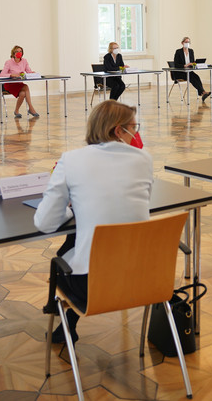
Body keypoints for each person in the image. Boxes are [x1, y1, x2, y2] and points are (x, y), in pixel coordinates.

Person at [34, 100, 151, 342]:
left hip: (93, 287)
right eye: (134, 127)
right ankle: (66, 326)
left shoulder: (72, 160)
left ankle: (62, 321)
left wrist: (72, 210)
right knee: (85, 237)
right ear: (118, 130)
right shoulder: (143, 160)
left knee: (70, 247)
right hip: (145, 280)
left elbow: (44, 223)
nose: (136, 133)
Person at [0, 45, 40, 118]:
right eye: (17, 51)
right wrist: (11, 75)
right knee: (25, 86)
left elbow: (28, 71)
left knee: (22, 93)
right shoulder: (9, 62)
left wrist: (32, 73)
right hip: (10, 84)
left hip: (19, 83)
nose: (19, 53)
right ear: (13, 53)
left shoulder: (24, 61)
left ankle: (16, 111)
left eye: (20, 51)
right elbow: (1, 74)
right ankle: (31, 108)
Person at [172, 36, 212, 102]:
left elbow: (193, 61)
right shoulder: (178, 51)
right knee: (191, 77)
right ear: (182, 43)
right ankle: (203, 92)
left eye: (188, 42)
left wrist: (193, 64)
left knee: (196, 77)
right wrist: (185, 65)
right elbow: (176, 64)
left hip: (189, 71)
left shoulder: (191, 51)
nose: (187, 43)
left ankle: (202, 92)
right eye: (186, 42)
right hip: (180, 72)